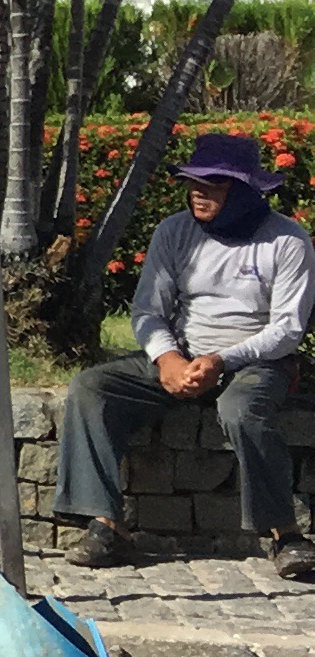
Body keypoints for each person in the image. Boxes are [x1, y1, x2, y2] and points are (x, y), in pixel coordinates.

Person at [55, 132, 315, 576]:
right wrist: (167, 359)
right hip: (185, 354)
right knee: (91, 388)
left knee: (242, 412)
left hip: (255, 361)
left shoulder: (287, 241)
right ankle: (105, 523)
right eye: (194, 182)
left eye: (213, 184)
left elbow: (287, 329)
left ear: (247, 192)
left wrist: (222, 361)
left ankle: (284, 533)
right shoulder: (173, 232)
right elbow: (147, 309)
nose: (198, 191)